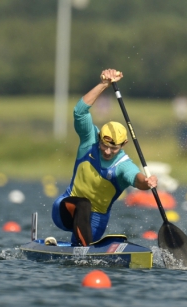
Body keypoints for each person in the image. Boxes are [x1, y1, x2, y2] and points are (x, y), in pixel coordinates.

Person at [51, 68, 158, 246]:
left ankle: (80, 249)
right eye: (104, 146)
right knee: (83, 204)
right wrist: (104, 84)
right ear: (99, 138)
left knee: (86, 216)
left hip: (96, 221)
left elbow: (137, 179)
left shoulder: (124, 165)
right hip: (65, 209)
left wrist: (146, 183)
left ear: (123, 145)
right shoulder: (89, 139)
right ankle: (84, 252)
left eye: (113, 149)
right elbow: (79, 111)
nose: (107, 151)